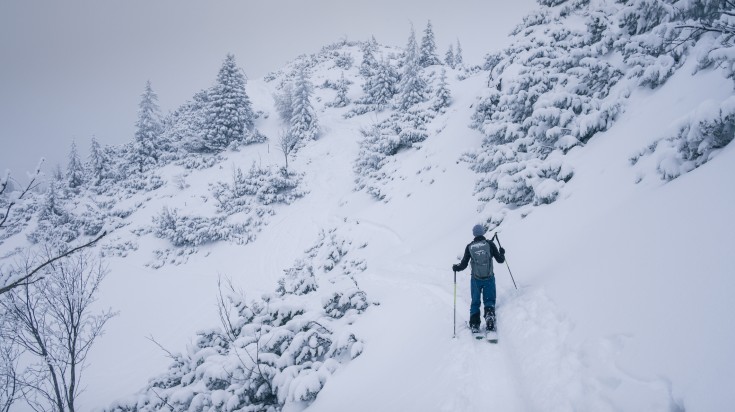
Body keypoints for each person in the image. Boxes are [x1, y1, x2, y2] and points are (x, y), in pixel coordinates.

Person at [452, 224, 505, 333]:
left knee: (475, 301)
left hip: (476, 280)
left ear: (474, 234)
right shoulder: (490, 244)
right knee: (489, 300)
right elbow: (500, 260)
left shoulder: (470, 247)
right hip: (489, 278)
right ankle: (490, 321)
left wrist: (456, 267)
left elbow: (463, 265)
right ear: (483, 232)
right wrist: (502, 253)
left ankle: (475, 324)